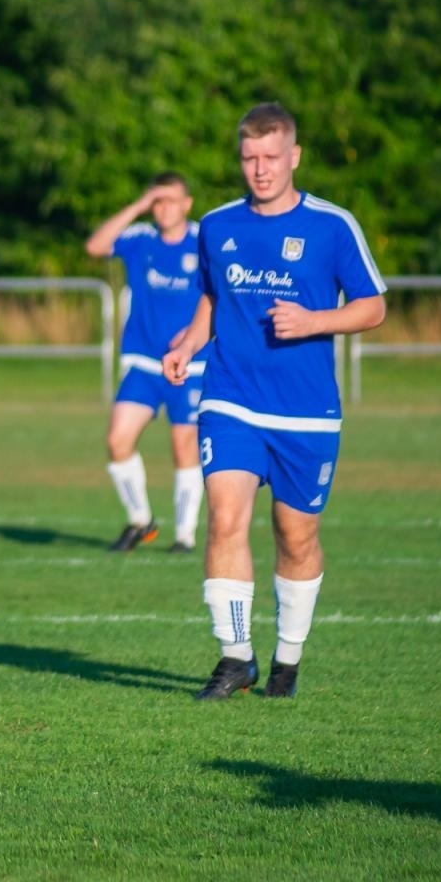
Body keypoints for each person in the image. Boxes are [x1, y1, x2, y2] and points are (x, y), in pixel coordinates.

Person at [162, 102, 385, 700]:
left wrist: (314, 320)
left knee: (296, 536)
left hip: (307, 411)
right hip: (231, 397)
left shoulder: (333, 226)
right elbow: (211, 299)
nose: (259, 169)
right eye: (248, 158)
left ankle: (287, 660)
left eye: (270, 157)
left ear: (294, 157)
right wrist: (187, 344)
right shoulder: (217, 224)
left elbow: (373, 306)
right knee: (225, 515)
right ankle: (236, 656)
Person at [85, 172, 206, 553]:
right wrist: (138, 205)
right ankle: (141, 521)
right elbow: (96, 246)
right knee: (117, 440)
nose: (163, 207)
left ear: (186, 204)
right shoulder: (141, 239)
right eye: (157, 200)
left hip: (191, 362)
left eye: (171, 200)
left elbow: (223, 294)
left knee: (183, 445)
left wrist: (192, 333)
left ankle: (184, 536)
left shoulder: (205, 241)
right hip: (142, 360)